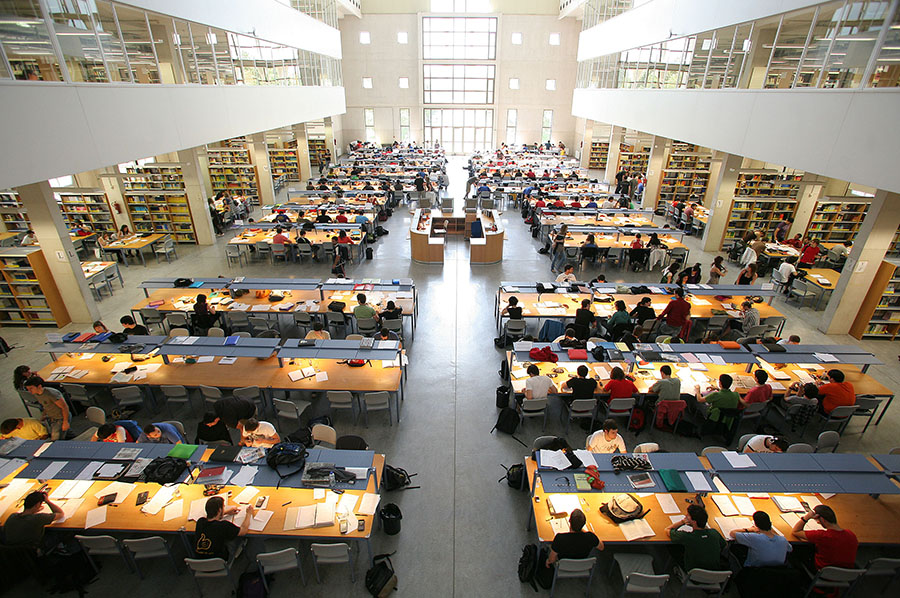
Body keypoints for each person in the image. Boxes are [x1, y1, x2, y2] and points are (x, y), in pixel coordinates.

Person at [791, 505, 858, 571]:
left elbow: (795, 531)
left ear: (822, 519)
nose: (818, 522)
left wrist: (806, 517)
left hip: (823, 571)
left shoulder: (822, 536)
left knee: (797, 549)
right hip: (845, 574)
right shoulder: (851, 534)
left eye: (818, 520)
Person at [665, 504, 727, 571]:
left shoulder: (687, 537)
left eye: (688, 515)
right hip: (715, 573)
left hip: (693, 573)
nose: (685, 516)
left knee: (672, 546)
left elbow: (667, 530)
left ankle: (678, 571)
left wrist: (682, 522)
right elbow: (723, 545)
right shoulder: (714, 533)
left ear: (694, 522)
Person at [194, 496, 254, 562]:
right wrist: (249, 514)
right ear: (219, 510)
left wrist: (225, 512)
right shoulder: (223, 526)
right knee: (239, 537)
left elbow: (211, 517)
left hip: (200, 561)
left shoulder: (200, 522)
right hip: (219, 561)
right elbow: (243, 531)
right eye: (223, 507)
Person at [24, 376, 68, 440]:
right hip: (53, 417)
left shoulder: (51, 394)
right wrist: (44, 415)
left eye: (31, 388)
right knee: (62, 432)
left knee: (55, 438)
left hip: (60, 417)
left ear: (39, 386)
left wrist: (65, 422)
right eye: (28, 389)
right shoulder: (36, 394)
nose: (29, 391)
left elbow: (64, 407)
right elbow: (46, 405)